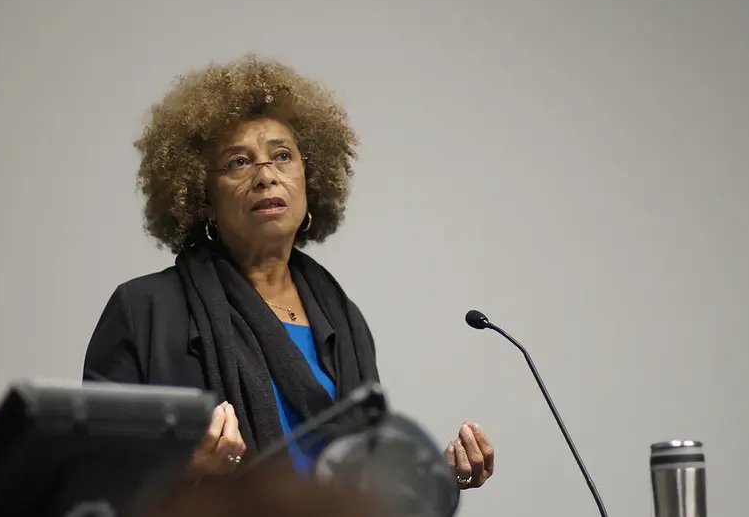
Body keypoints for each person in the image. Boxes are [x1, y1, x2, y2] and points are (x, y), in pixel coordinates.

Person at [83, 54, 494, 491]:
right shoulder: (145, 310)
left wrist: (433, 477)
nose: (266, 177)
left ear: (309, 179)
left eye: (282, 156)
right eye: (239, 162)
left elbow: (363, 482)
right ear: (202, 196)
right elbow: (91, 476)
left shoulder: (343, 318)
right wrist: (189, 471)